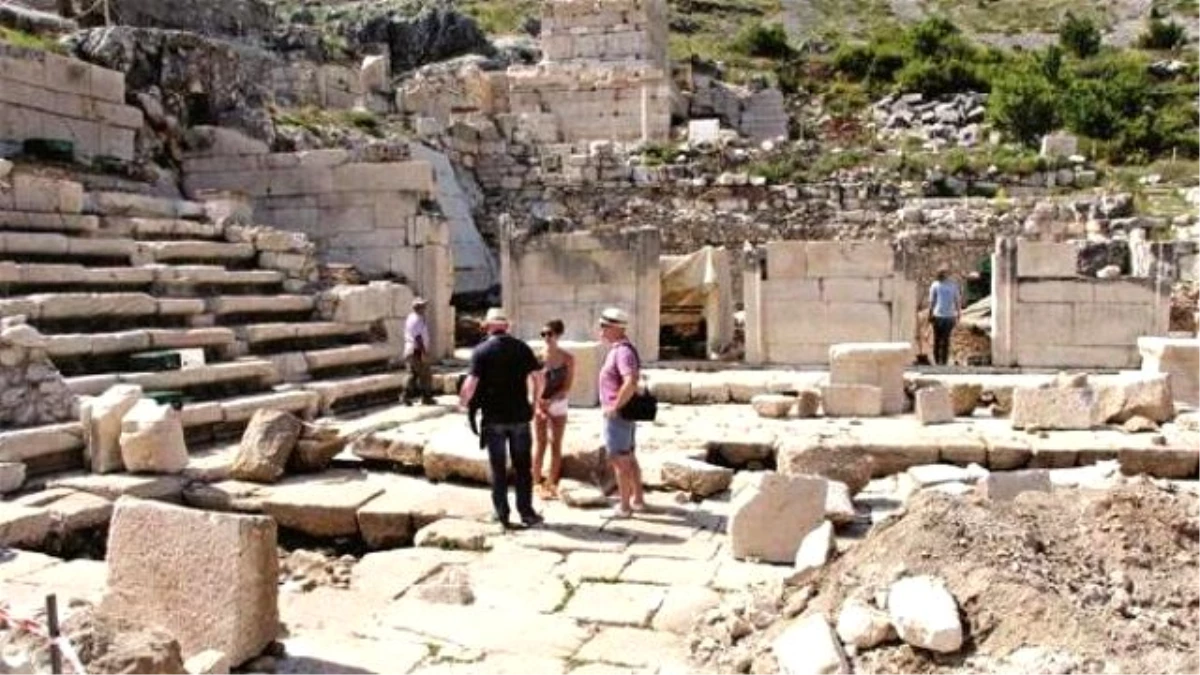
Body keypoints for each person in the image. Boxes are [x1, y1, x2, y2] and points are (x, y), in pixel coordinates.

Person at [458, 308, 544, 529]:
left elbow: (470, 385)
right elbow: (538, 377)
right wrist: (535, 401)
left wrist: (463, 405)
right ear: (507, 327)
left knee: (498, 469)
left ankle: (502, 514)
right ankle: (527, 513)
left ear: (487, 327)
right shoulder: (522, 348)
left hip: (494, 418)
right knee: (523, 468)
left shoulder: (481, 351)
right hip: (520, 416)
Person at [597, 307, 645, 519]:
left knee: (620, 460)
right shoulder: (620, 349)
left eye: (604, 326)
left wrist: (614, 406)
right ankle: (638, 500)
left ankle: (624, 506)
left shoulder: (622, 352)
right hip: (624, 413)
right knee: (629, 457)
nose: (601, 330)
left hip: (618, 414)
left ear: (616, 328)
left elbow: (631, 380)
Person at [533, 319, 575, 500]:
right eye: (543, 334)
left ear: (558, 335)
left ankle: (551, 482)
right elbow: (533, 384)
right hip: (540, 403)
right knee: (540, 443)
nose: (546, 338)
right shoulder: (538, 357)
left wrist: (551, 400)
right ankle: (535, 482)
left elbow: (567, 386)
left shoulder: (568, 358)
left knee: (555, 443)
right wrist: (537, 404)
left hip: (558, 402)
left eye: (549, 334)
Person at [403, 297, 435, 405]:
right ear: (417, 308)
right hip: (416, 350)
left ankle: (405, 396)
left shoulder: (413, 317)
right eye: (422, 306)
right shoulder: (416, 319)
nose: (424, 308)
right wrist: (424, 352)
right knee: (425, 374)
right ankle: (426, 397)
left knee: (413, 375)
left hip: (411, 349)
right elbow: (418, 337)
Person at [928, 269, 962, 366]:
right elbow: (958, 301)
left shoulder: (935, 285)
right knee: (944, 339)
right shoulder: (952, 286)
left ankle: (939, 361)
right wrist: (959, 313)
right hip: (947, 316)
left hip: (941, 316)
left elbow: (932, 301)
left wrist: (930, 314)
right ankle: (942, 361)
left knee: (938, 339)